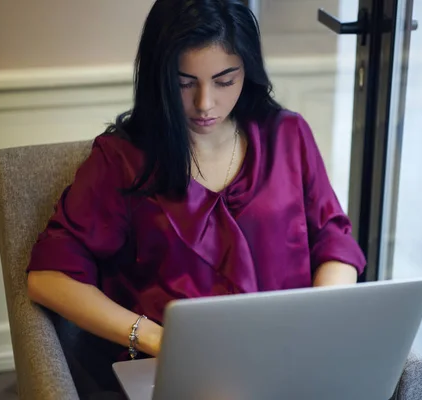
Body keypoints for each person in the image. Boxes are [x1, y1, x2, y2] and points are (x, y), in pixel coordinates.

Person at [26, 0, 366, 393]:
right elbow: (49, 277)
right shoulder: (123, 159)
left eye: (225, 80)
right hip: (176, 371)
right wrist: (154, 338)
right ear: (158, 76)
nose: (205, 104)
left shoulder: (287, 135)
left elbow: (334, 241)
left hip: (286, 362)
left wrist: (318, 323)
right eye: (184, 82)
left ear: (248, 71)